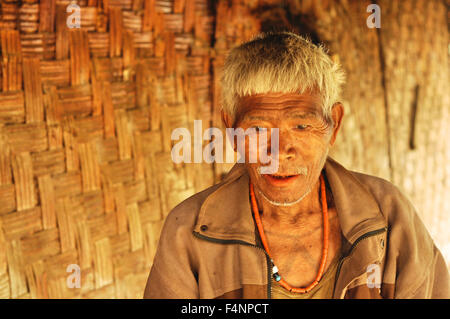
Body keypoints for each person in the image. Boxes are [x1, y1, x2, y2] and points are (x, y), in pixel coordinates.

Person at [143, 31, 449, 298]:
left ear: (334, 125)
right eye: (259, 129)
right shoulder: (189, 234)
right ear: (232, 131)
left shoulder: (388, 216)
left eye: (302, 127)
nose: (279, 152)